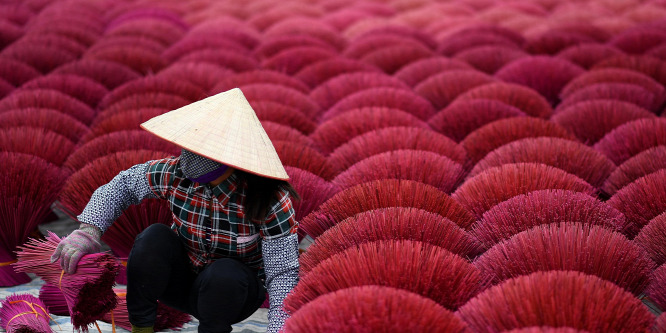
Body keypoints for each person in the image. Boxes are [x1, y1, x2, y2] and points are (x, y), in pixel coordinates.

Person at [50, 88, 300, 333]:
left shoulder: (268, 200)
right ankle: (142, 327)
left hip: (232, 297)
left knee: (225, 273)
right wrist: (88, 231)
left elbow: (282, 274)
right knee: (153, 237)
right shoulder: (174, 174)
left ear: (230, 155)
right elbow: (121, 187)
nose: (187, 156)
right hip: (181, 283)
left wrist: (279, 328)